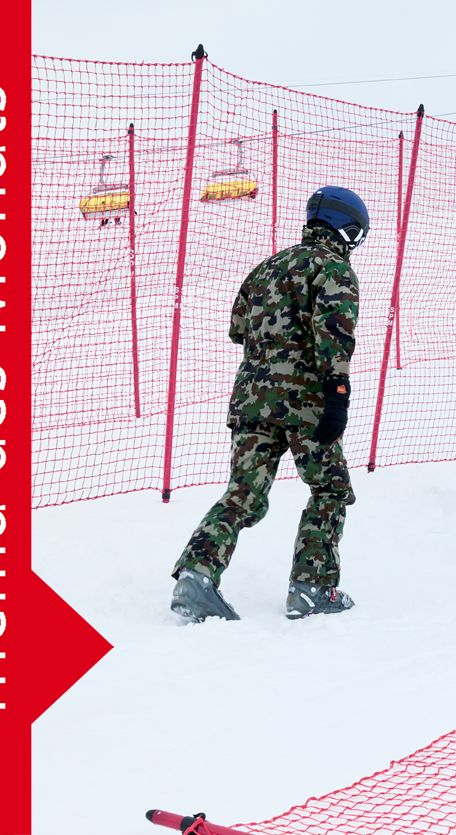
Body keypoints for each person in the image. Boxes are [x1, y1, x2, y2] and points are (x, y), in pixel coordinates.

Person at [170, 186, 368, 623]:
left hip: (252, 401)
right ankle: (312, 587)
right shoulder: (334, 268)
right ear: (346, 227)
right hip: (306, 403)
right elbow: (334, 334)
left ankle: (196, 576)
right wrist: (337, 394)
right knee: (330, 488)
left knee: (243, 492)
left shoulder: (266, 267)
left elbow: (237, 329)